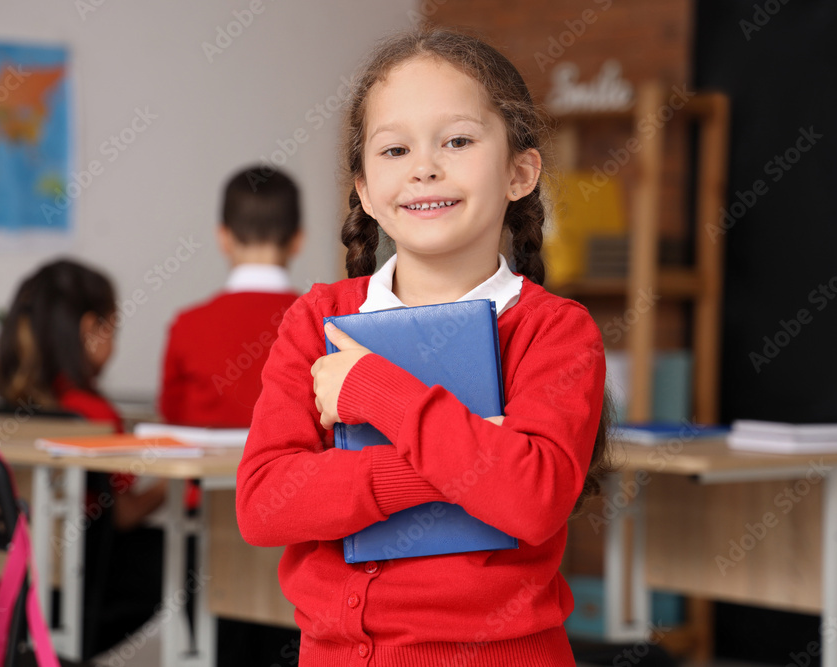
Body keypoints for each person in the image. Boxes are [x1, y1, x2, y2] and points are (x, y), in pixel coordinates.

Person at [236, 27, 613, 666]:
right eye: (394, 149)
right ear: (362, 189)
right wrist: (470, 454)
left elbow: (532, 497)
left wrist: (369, 390)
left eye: (458, 140)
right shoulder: (318, 319)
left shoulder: (556, 330)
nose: (423, 167)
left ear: (520, 171)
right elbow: (264, 505)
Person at [0, 258, 165, 657]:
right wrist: (172, 486)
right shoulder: (94, 415)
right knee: (181, 551)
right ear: (91, 331)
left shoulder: (10, 409)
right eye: (113, 329)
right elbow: (121, 513)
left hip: (27, 584)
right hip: (86, 586)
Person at [159, 165, 302, 427]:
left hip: (206, 469)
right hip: (293, 468)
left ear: (223, 238)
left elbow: (172, 421)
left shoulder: (187, 326)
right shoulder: (324, 323)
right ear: (297, 240)